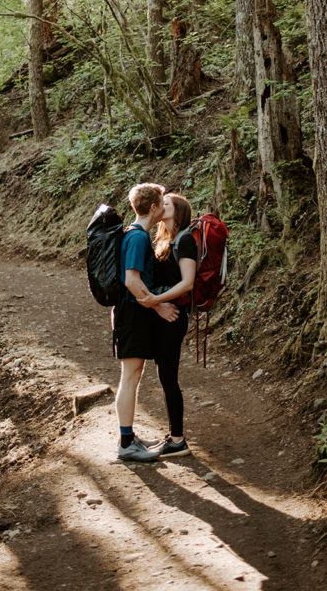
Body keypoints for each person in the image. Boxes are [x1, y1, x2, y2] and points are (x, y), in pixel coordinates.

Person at [113, 183, 179, 462]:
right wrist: (159, 305)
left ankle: (129, 437)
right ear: (152, 207)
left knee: (134, 374)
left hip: (134, 313)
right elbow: (131, 280)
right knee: (130, 376)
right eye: (162, 202)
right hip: (132, 314)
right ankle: (126, 443)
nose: (165, 207)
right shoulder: (138, 237)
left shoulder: (136, 234)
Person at [139, 191, 198, 457]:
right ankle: (174, 435)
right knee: (165, 377)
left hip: (173, 316)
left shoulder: (185, 239)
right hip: (162, 315)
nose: (160, 206)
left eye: (166, 204)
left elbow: (188, 282)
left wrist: (156, 301)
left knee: (169, 378)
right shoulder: (164, 239)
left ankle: (178, 440)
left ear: (179, 211)